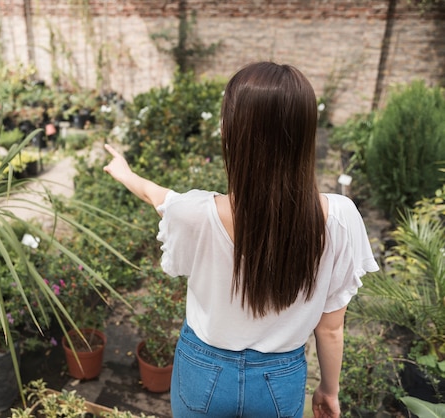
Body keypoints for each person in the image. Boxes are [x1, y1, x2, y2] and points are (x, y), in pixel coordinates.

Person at [103, 61, 379, 418]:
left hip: (203, 372)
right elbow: (330, 329)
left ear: (233, 133)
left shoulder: (196, 213)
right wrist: (329, 389)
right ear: (306, 131)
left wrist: (125, 173)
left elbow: (159, 198)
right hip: (280, 380)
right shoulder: (341, 218)